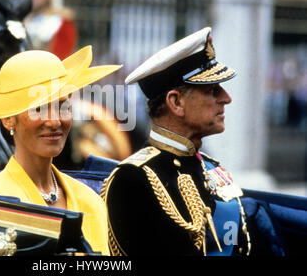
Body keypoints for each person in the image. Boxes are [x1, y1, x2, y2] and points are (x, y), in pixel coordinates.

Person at [0, 46, 121, 255]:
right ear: (8, 119)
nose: (54, 121)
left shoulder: (91, 200)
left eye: (62, 106)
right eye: (38, 108)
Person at [101, 27, 255, 256]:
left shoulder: (210, 167)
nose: (226, 98)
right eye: (213, 90)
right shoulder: (133, 178)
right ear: (176, 103)